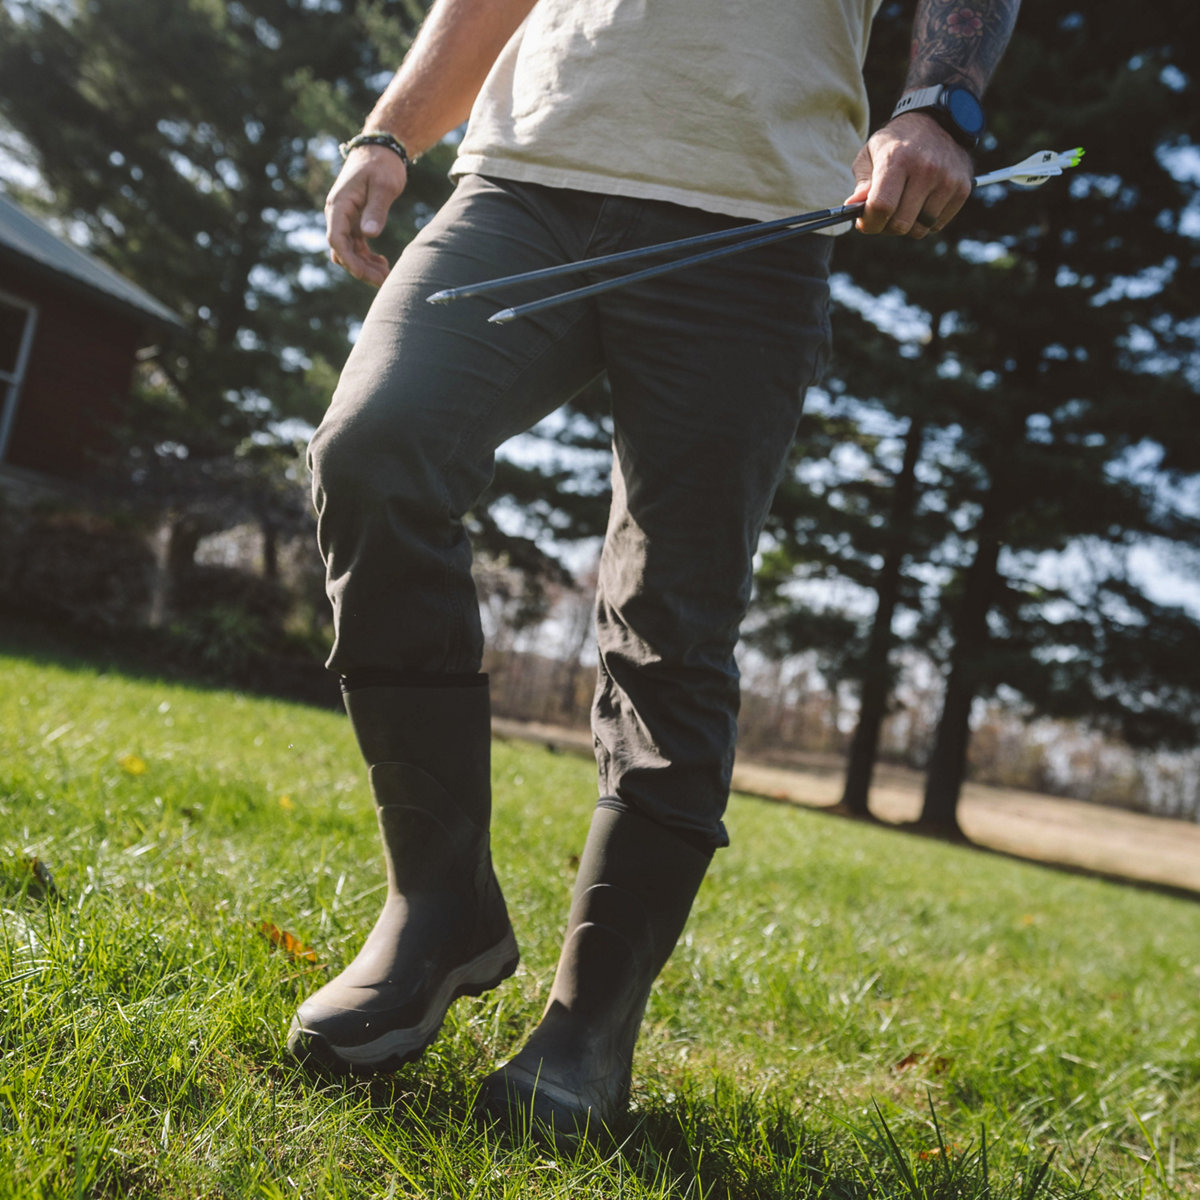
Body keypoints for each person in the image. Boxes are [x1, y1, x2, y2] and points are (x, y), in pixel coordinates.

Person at [289, 0, 1021, 1136]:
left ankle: (589, 1029)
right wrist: (388, 134)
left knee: (673, 616)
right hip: (523, 174)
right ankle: (438, 907)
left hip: (756, 204)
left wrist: (939, 102)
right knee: (373, 449)